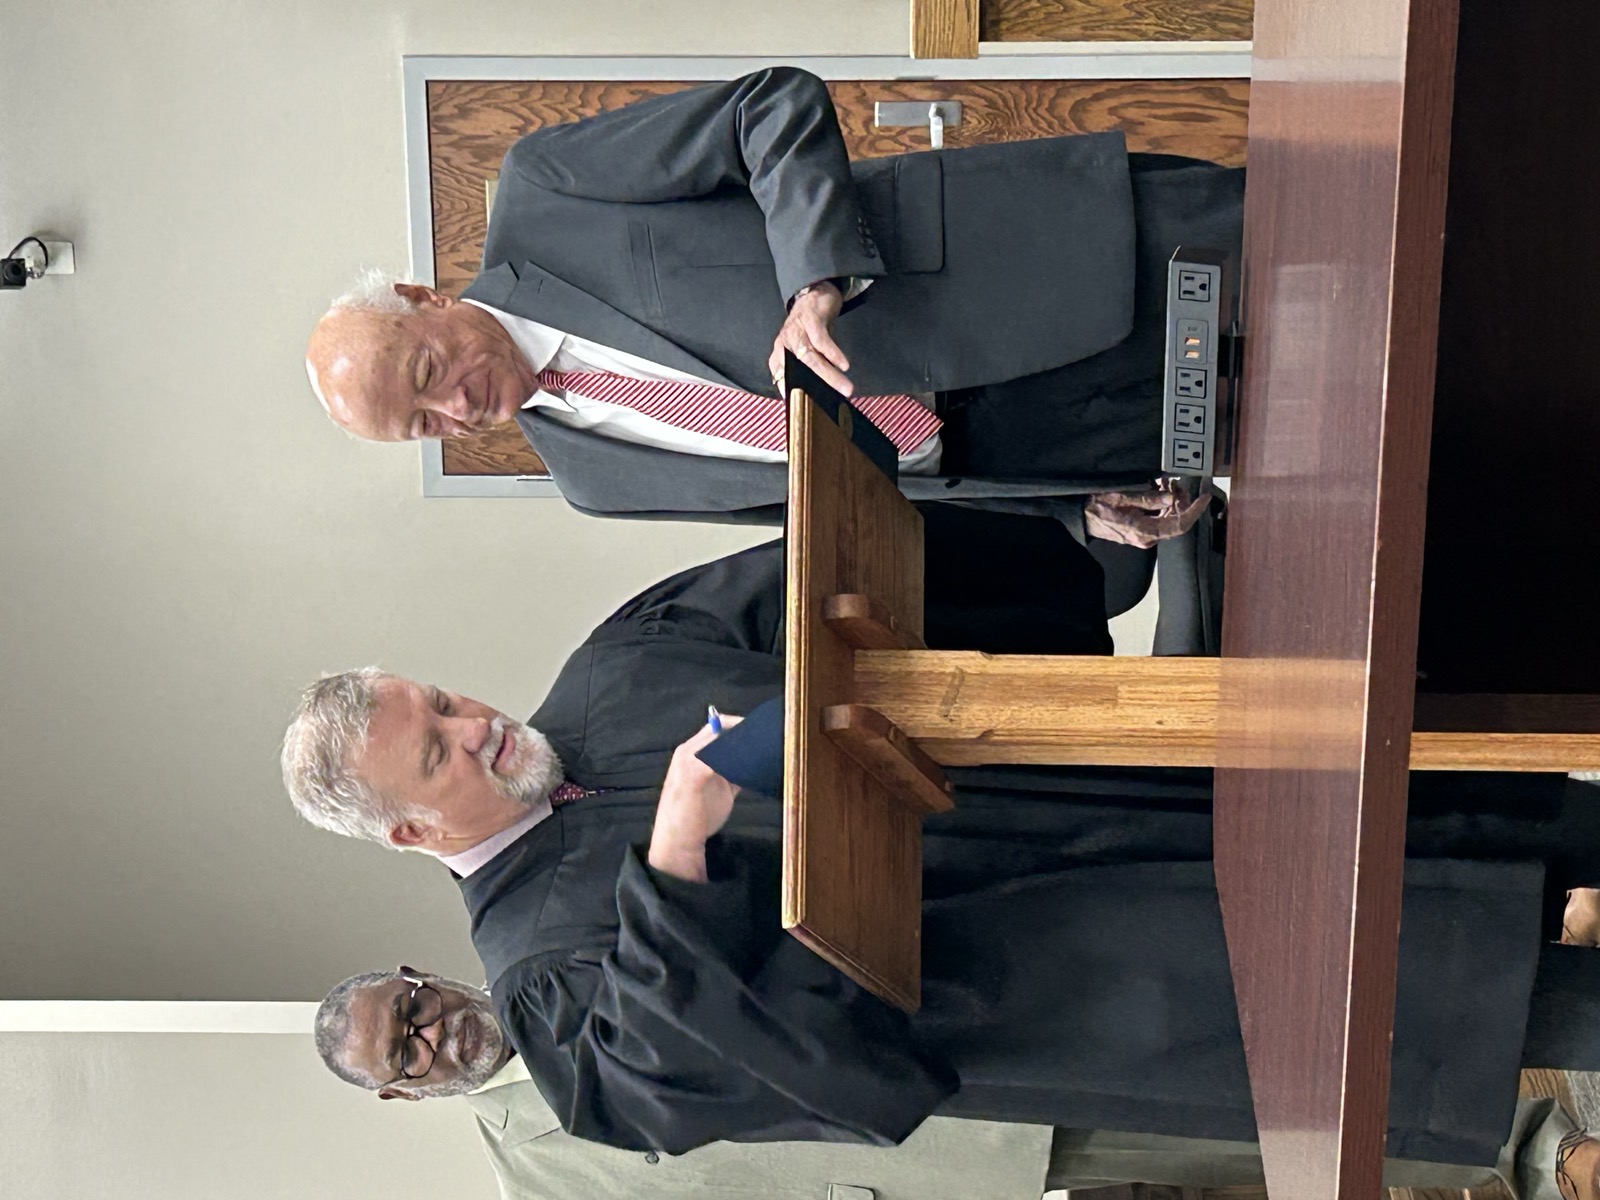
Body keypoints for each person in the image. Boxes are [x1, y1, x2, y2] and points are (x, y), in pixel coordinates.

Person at [282, 536, 1600, 1171]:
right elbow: (700, 1076)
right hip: (1085, 970)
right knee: (1427, 980)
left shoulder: (613, 667)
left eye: (443, 700)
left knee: (1464, 814)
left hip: (1108, 783)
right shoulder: (541, 983)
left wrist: (1086, 541)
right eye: (439, 752)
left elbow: (859, 560)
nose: (476, 724)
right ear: (410, 833)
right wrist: (678, 841)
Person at [303, 67, 1234, 539]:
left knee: (1311, 256)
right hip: (1035, 448)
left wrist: (812, 284)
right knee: (1296, 439)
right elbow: (853, 508)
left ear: (424, 297)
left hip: (1034, 271)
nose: (457, 406)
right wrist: (1070, 508)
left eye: (428, 372)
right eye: (426, 424)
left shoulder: (546, 192)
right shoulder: (593, 484)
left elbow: (770, 107)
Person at [313, 967, 1587, 1200]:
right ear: (401, 1095)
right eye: (406, 1051)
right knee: (1247, 1150)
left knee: (1238, 1053)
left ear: (427, 975)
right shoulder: (538, 1182)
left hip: (960, 1043)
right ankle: (1520, 1157)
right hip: (936, 1169)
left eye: (414, 1008)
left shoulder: (563, 952)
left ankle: (1521, 1112)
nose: (436, 1034)